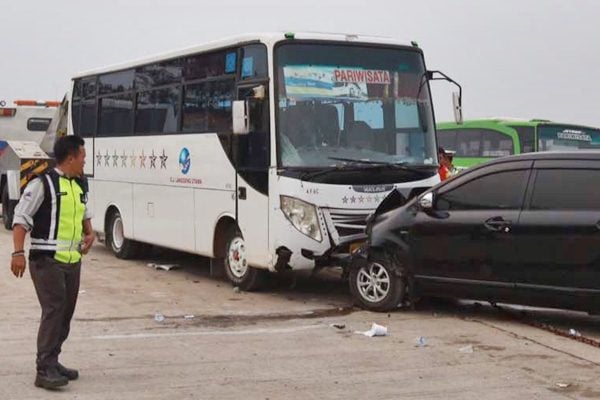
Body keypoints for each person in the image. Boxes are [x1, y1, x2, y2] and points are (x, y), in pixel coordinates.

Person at [10, 135, 95, 390]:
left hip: (72, 260)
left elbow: (84, 213)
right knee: (55, 309)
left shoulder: (79, 184)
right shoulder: (42, 184)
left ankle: (53, 359)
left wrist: (89, 234)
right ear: (70, 157)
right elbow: (21, 218)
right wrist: (17, 253)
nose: (84, 160)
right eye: (82, 156)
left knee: (65, 313)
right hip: (46, 259)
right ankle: (44, 368)